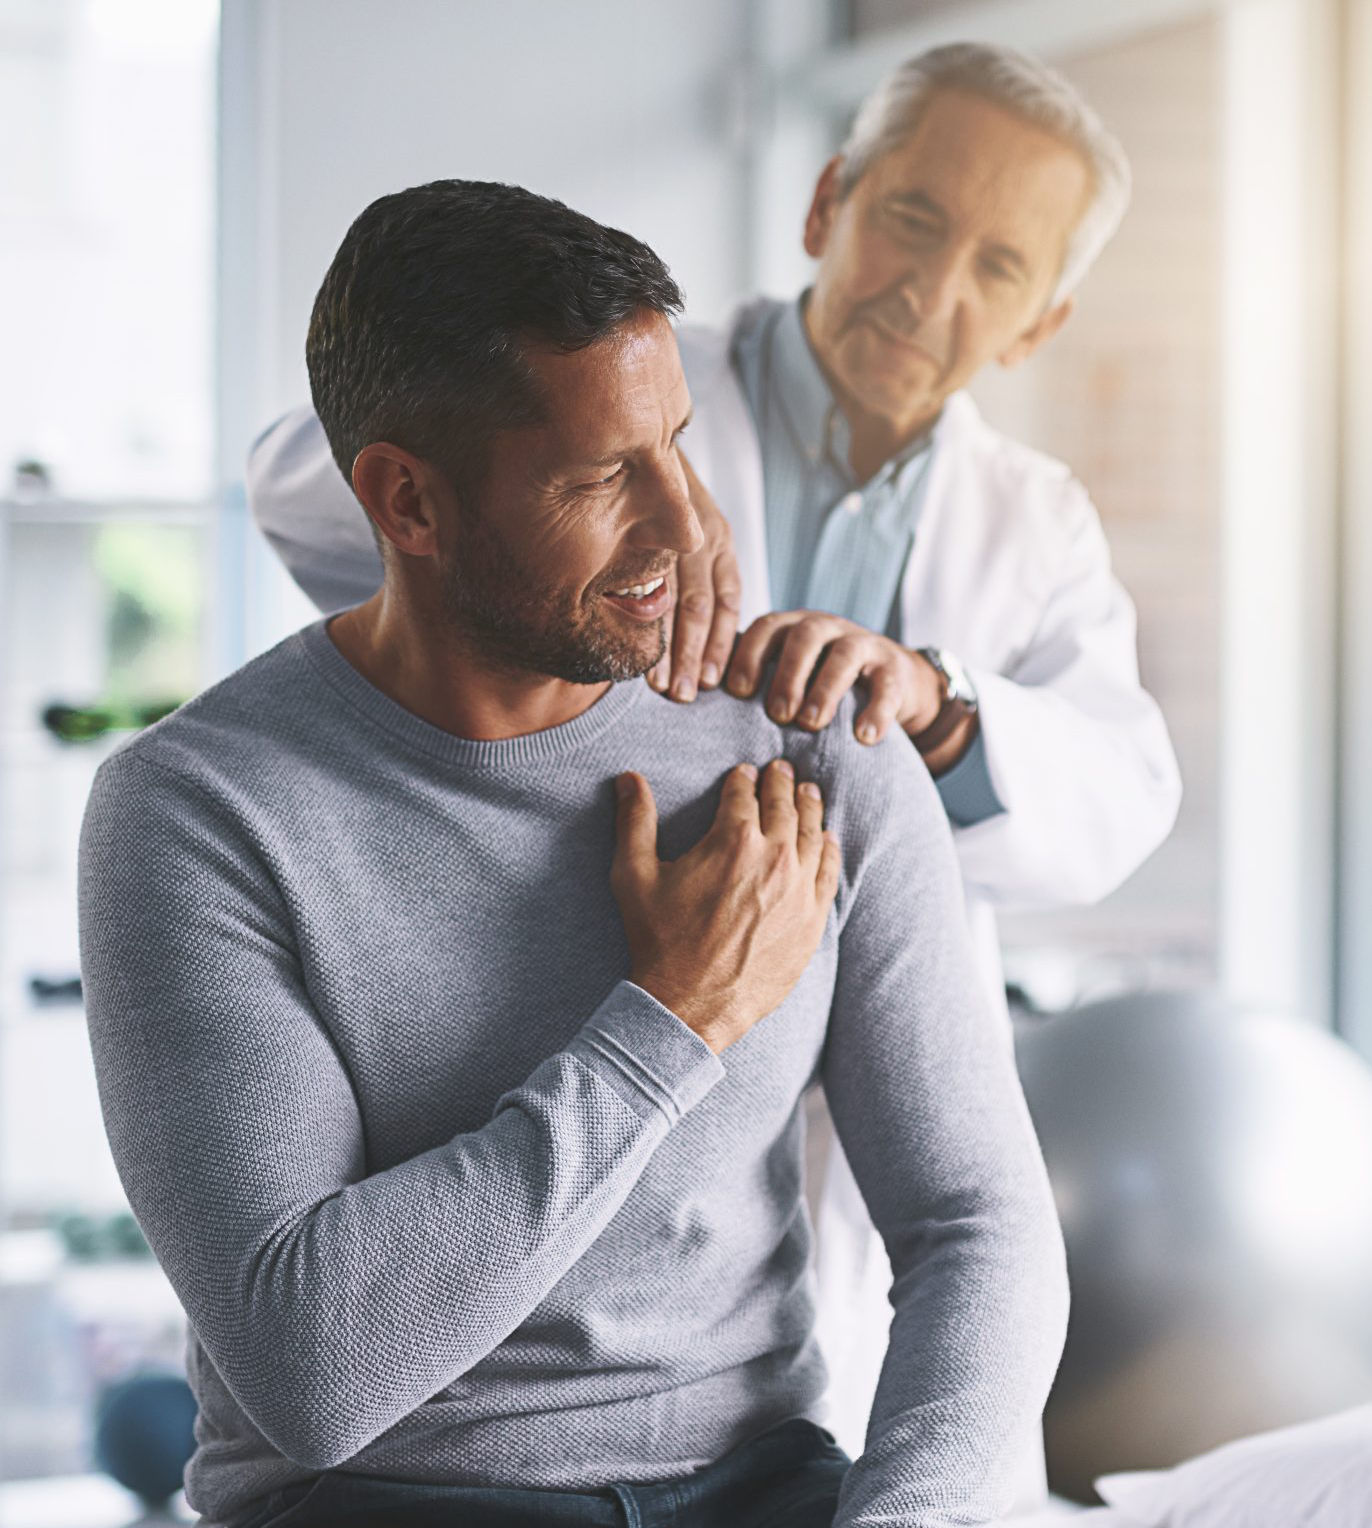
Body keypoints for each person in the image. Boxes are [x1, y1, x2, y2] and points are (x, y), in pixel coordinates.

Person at [245, 43, 1181, 1476]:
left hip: (839, 1017)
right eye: (913, 221)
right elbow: (341, 498)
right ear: (825, 204)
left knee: (828, 1374)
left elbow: (1120, 793)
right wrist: (596, 460)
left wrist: (934, 706)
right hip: (574, 978)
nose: (932, 294)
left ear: (1043, 322)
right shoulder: (617, 382)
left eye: (997, 265)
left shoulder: (1030, 528)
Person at [79, 181, 1067, 1528]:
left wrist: (908, 1518)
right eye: (606, 478)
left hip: (762, 1489)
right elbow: (314, 1370)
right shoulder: (197, 813)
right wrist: (675, 1019)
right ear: (406, 503)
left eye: (680, 445)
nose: (689, 527)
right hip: (395, 1500)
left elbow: (980, 1226)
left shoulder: (813, 740)